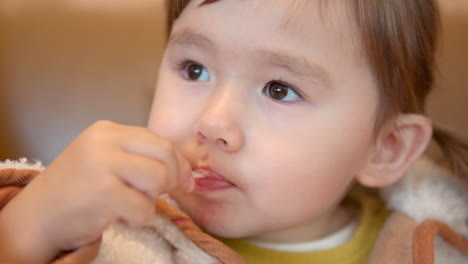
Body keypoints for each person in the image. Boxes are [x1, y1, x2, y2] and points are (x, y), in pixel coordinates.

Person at [0, 0, 467, 263]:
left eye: (280, 89)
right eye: (195, 69)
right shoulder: (113, 236)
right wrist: (31, 229)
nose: (212, 124)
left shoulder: (431, 248)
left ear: (385, 149)